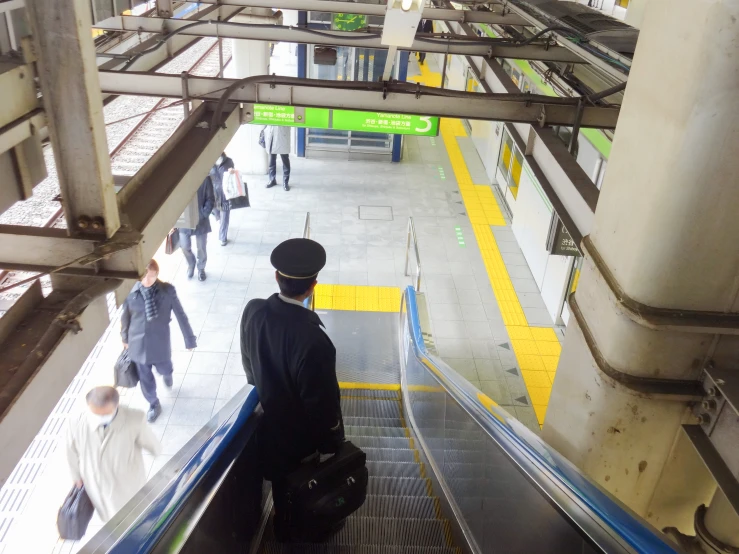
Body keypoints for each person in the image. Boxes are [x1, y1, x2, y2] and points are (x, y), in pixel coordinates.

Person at [240, 238, 344, 541]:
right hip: (302, 441)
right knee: (304, 484)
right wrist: (332, 443)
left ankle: (282, 522)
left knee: (282, 482)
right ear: (313, 286)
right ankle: (301, 529)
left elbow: (249, 364)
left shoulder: (254, 311)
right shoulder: (314, 340)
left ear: (276, 277)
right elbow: (322, 405)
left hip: (270, 429)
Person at [65, 386, 161, 523]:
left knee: (136, 515)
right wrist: (76, 477)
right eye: (96, 414)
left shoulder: (134, 419)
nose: (100, 418)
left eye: (105, 414)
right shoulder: (75, 423)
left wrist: (155, 450)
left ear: (117, 406)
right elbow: (70, 451)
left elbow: (151, 444)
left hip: (127, 483)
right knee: (110, 518)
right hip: (96, 485)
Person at [121, 259, 197, 422]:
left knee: (165, 368)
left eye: (151, 277)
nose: (147, 281)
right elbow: (125, 317)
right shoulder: (131, 292)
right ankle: (153, 404)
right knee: (145, 378)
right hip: (138, 344)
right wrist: (124, 338)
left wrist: (189, 339)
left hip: (159, 342)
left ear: (157, 275)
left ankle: (167, 375)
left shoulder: (167, 291)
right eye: (144, 277)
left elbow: (180, 315)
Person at [178, 175, 215, 281]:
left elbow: (210, 198)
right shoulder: (180, 178)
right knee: (184, 246)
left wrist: (203, 214)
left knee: (201, 247)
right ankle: (191, 263)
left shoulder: (205, 178)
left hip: (200, 220)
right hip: (184, 218)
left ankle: (201, 268)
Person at [210, 152, 235, 246]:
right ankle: (219, 219)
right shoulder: (208, 162)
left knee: (224, 214)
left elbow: (232, 176)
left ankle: (222, 237)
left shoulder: (228, 161)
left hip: (225, 193)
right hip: (212, 193)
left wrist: (232, 172)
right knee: (216, 212)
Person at [264, 125, 291, 191]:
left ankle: (285, 182)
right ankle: (272, 179)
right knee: (271, 161)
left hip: (282, 135)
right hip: (272, 135)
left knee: (285, 161)